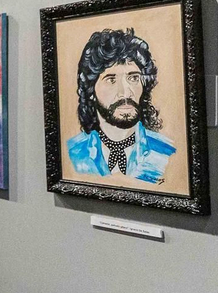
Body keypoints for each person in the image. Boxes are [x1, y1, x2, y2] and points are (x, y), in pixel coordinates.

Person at [66, 28, 177, 183]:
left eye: (133, 78)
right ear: (90, 90)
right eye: (111, 80)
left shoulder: (167, 154)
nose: (125, 93)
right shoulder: (72, 154)